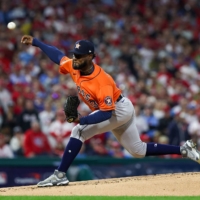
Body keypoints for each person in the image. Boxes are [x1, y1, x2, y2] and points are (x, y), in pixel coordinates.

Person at [21, 35, 200, 187]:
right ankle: (184, 149)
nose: (75, 58)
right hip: (118, 107)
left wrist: (82, 120)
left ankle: (60, 175)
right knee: (137, 150)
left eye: (80, 56)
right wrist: (36, 42)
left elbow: (107, 113)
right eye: (75, 55)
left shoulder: (102, 81)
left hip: (117, 110)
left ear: (91, 57)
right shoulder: (74, 66)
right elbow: (58, 56)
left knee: (78, 131)